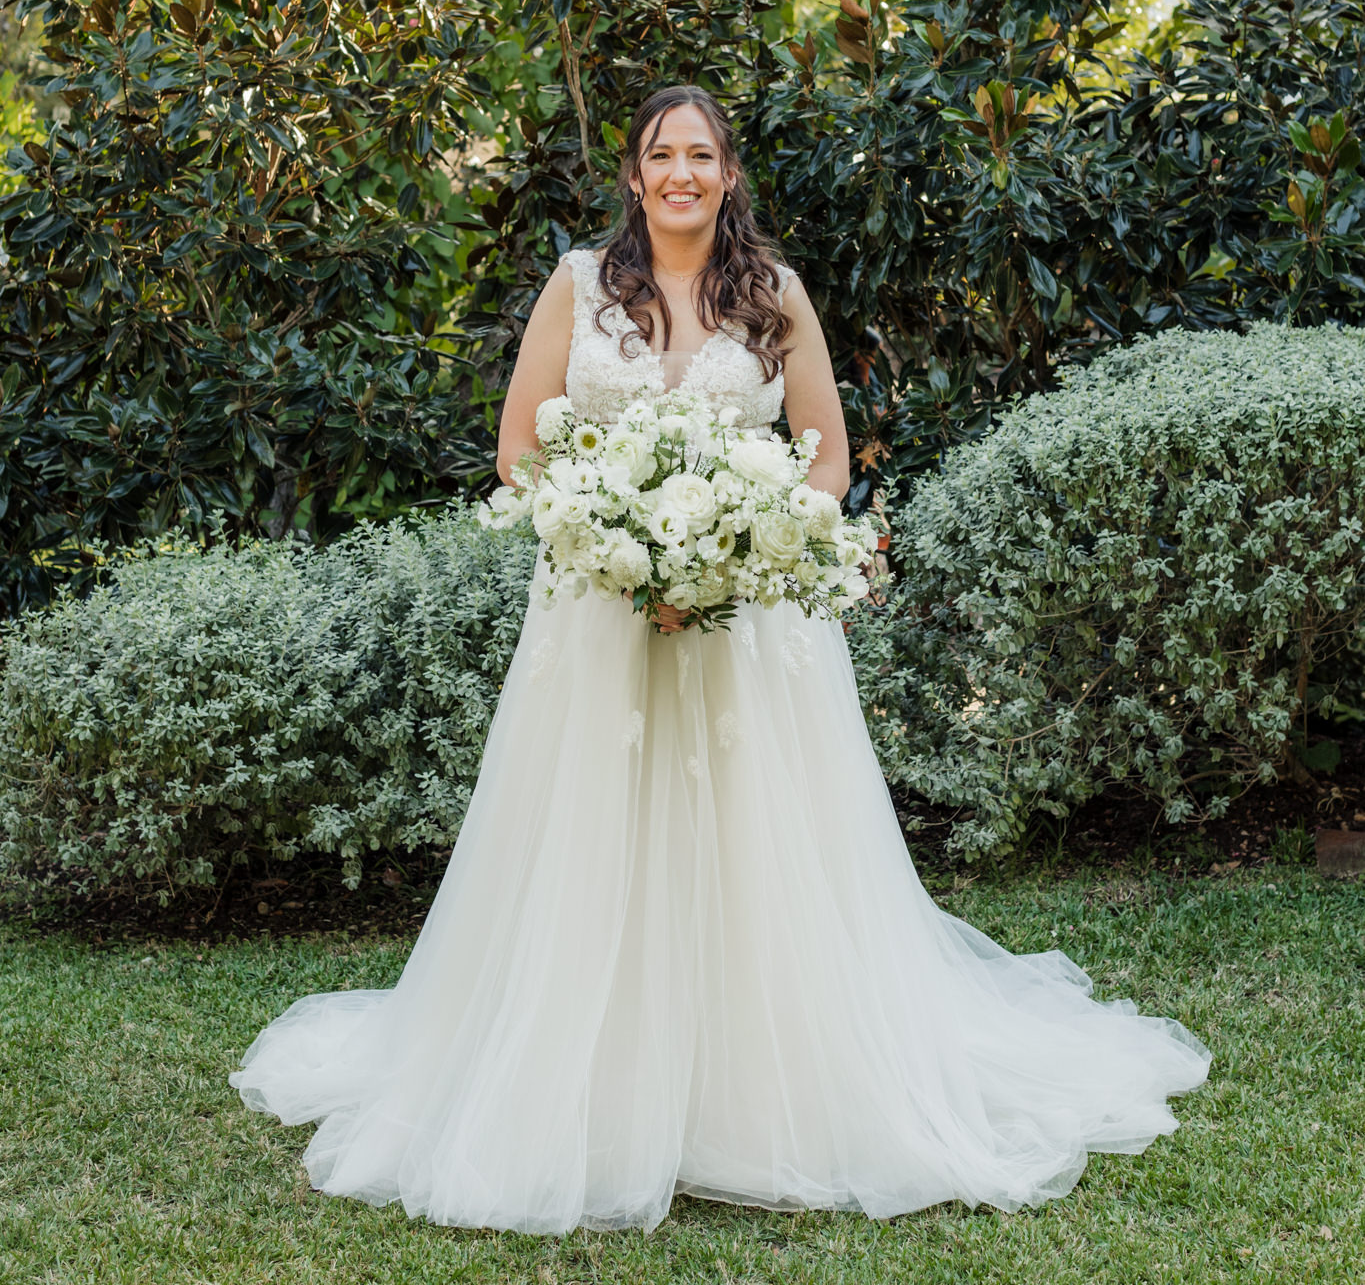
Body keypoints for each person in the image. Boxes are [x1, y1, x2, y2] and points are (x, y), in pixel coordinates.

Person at [231, 83, 1209, 1233]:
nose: (682, 172)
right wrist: (614, 538)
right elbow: (517, 449)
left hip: (751, 627)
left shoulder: (774, 293)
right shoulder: (578, 285)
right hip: (598, 618)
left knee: (760, 844)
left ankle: (758, 1092)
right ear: (635, 176)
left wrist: (744, 549)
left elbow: (828, 461)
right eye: (661, 154)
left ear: (728, 173)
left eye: (702, 154)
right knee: (594, 836)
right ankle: (592, 1083)